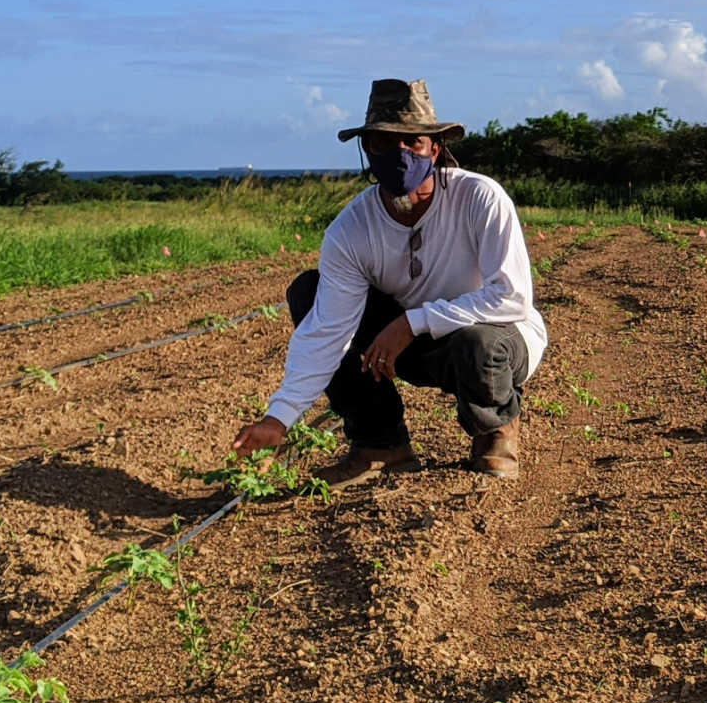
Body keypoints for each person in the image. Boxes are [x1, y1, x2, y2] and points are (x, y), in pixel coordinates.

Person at [229, 78, 546, 485]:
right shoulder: (351, 229)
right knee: (310, 292)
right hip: (407, 349)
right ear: (367, 150)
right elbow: (328, 330)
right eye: (382, 143)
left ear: (434, 147)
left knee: (478, 343)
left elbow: (511, 298)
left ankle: (495, 433)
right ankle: (380, 444)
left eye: (411, 142)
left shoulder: (480, 198)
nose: (399, 153)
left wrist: (412, 322)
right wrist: (279, 418)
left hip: (493, 341)